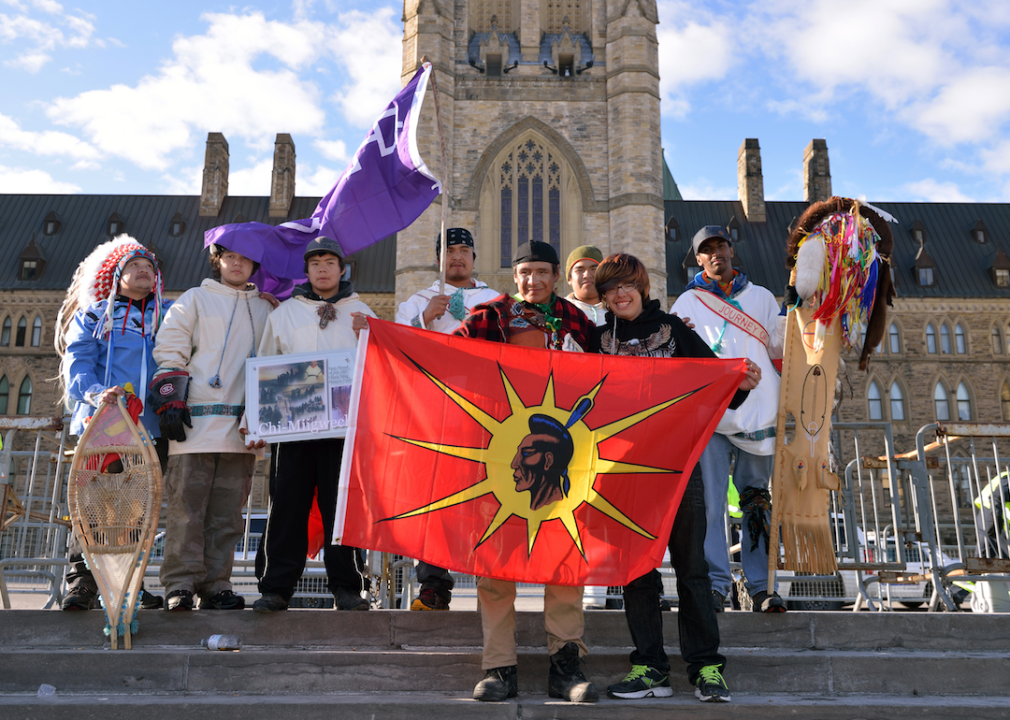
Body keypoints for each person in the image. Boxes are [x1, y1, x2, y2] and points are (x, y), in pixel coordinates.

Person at [589, 253, 759, 704]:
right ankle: (650, 668)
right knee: (637, 573)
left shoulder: (675, 330)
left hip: (679, 469)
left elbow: (714, 381)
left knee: (693, 569)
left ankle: (705, 667)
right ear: (602, 297)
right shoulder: (595, 339)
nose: (619, 295)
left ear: (642, 287)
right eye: (609, 289)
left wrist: (740, 379)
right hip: (623, 473)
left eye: (627, 285)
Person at [454, 240, 597, 704]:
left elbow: (613, 377)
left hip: (563, 459)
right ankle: (499, 669)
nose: (531, 281)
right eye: (523, 273)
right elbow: (444, 355)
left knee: (565, 563)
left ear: (556, 276)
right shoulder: (489, 317)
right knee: (495, 566)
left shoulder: (579, 322)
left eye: (540, 272)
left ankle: (565, 667)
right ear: (513, 277)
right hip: (502, 459)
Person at [252, 236, 376, 613]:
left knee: (341, 507)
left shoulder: (364, 311)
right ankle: (276, 587)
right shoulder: (285, 314)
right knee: (288, 505)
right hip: (294, 427)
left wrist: (369, 335)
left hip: (344, 428)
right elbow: (264, 365)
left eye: (330, 262)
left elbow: (379, 366)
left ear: (342, 269)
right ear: (307, 271)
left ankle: (348, 587)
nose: (323, 269)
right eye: (315, 263)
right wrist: (254, 421)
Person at [149, 243, 273, 611]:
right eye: (230, 256)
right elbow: (170, 346)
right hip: (193, 425)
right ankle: (181, 585)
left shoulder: (267, 308)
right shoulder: (194, 299)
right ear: (217, 261)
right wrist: (170, 396)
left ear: (254, 264)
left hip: (241, 427)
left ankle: (216, 584)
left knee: (227, 515)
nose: (238, 263)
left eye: (245, 257)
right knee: (187, 511)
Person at [671, 226, 787, 614]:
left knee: (756, 501)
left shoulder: (761, 297)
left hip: (758, 408)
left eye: (720, 246)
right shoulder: (687, 303)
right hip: (713, 414)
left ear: (731, 250)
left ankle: (760, 586)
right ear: (698, 259)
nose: (716, 253)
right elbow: (678, 361)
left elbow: (779, 348)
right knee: (711, 504)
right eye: (707, 249)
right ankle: (716, 585)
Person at [56, 236, 173, 612]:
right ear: (117, 277)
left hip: (150, 427)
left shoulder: (169, 316)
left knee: (140, 509)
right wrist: (94, 393)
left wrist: (259, 297)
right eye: (134, 267)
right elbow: (78, 361)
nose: (143, 271)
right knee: (91, 504)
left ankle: (130, 583)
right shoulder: (94, 315)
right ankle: (82, 584)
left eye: (149, 268)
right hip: (101, 422)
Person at [394, 228, 498, 611]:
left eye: (464, 250)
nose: (457, 256)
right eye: (449, 250)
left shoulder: (495, 301)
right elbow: (396, 350)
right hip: (436, 414)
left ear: (474, 257)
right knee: (437, 500)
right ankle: (434, 585)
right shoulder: (417, 301)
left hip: (487, 413)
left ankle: (494, 585)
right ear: (439, 257)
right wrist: (423, 319)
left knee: (490, 496)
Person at [564, 245, 606, 326]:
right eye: (580, 270)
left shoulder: (617, 309)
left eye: (594, 269)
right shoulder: (561, 311)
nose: (587, 275)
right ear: (569, 278)